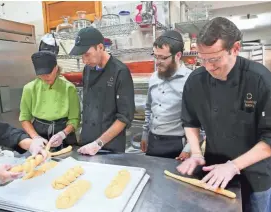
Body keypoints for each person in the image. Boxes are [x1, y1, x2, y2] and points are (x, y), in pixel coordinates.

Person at [177, 17, 271, 212]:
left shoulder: (259, 79)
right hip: (215, 173)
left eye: (214, 59)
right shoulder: (196, 80)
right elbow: (190, 121)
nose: (208, 66)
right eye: (202, 59)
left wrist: (234, 166)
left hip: (256, 178)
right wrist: (195, 152)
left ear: (235, 48)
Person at [69, 27, 135, 155]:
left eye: (87, 54)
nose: (84, 60)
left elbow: (124, 117)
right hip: (86, 141)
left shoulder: (120, 72)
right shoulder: (87, 70)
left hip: (109, 145)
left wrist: (98, 143)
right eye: (81, 56)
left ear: (100, 47)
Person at [140, 30, 194, 159]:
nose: (157, 62)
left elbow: (198, 120)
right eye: (156, 56)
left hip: (175, 143)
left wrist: (189, 148)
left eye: (163, 58)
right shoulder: (154, 77)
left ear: (178, 55)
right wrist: (145, 134)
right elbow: (149, 109)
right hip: (153, 140)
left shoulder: (190, 80)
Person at [19, 51, 80, 150]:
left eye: (48, 73)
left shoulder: (69, 88)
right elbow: (24, 118)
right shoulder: (29, 88)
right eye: (41, 74)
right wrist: (35, 137)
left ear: (56, 68)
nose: (44, 77)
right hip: (38, 132)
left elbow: (74, 119)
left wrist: (63, 134)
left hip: (64, 132)